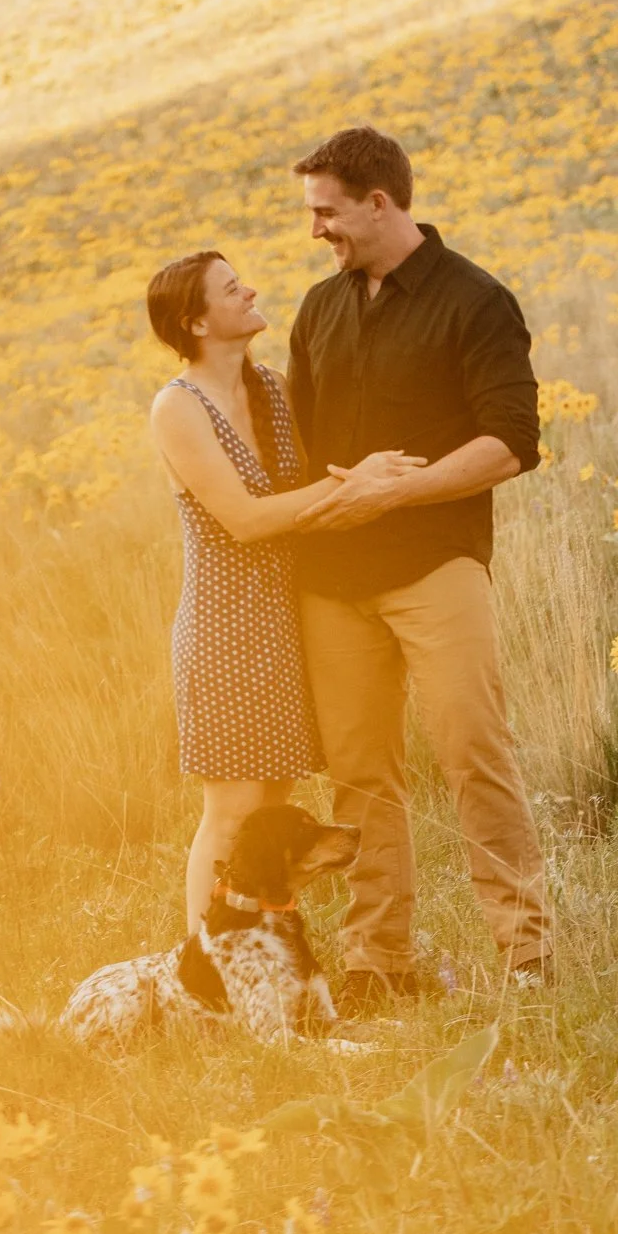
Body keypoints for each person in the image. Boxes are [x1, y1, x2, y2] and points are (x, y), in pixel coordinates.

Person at [286, 126, 553, 1007]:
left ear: (379, 202)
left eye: (327, 212)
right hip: (332, 584)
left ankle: (525, 953)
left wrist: (396, 495)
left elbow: (511, 442)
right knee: (360, 776)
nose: (316, 230)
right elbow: (302, 447)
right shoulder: (317, 310)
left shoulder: (476, 301)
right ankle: (377, 960)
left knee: (474, 754)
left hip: (436, 565)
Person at [144, 249, 420, 930]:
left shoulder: (272, 388)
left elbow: (312, 482)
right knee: (231, 811)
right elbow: (243, 519)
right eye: (232, 288)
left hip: (288, 622)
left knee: (271, 807)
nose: (251, 291)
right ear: (196, 322)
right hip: (225, 627)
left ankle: (259, 954)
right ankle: (205, 960)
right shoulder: (178, 406)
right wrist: (352, 484)